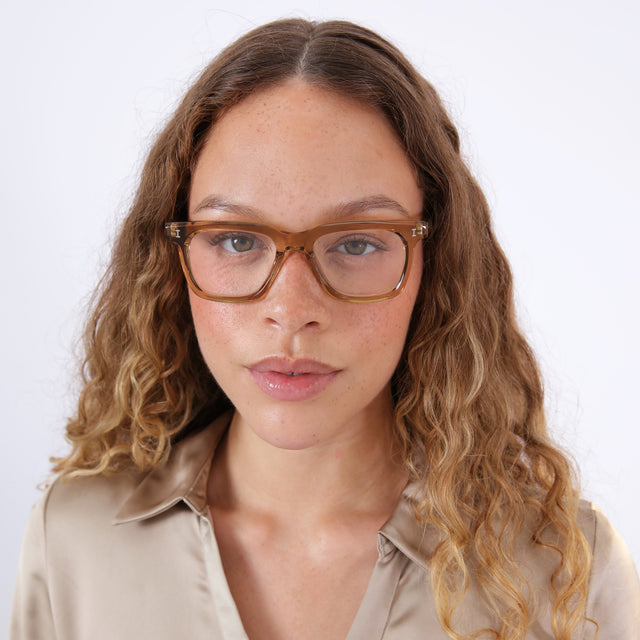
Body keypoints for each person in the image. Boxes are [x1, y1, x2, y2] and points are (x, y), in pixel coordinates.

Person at [10, 18, 640, 640]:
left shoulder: (564, 571)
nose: (291, 308)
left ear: (434, 262)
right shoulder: (74, 541)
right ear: (174, 259)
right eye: (236, 239)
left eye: (359, 244)